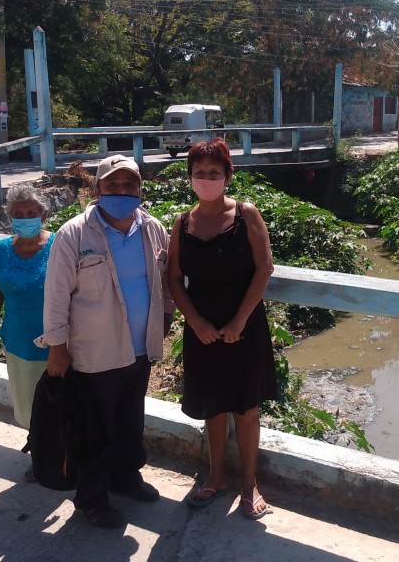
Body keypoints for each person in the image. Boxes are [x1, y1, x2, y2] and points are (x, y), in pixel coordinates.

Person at [38, 155, 174, 529]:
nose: (121, 192)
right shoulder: (74, 234)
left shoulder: (152, 228)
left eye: (129, 185)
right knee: (93, 429)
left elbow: (163, 283)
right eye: (113, 185)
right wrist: (57, 347)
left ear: (139, 189)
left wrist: (164, 321)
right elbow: (56, 296)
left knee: (130, 420)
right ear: (98, 189)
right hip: (94, 353)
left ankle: (125, 477)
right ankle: (91, 498)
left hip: (139, 349)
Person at [167, 138, 277, 520]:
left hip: (244, 326)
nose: (207, 179)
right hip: (202, 329)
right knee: (213, 405)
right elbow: (175, 278)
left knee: (247, 408)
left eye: (215, 173)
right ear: (190, 177)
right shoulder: (183, 223)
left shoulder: (247, 214)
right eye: (200, 173)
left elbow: (264, 268)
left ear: (228, 175)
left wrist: (239, 320)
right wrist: (196, 323)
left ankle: (250, 484)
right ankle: (216, 476)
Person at [0, 184, 54, 479]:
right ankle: (40, 456)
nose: (25, 218)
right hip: (17, 342)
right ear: (9, 217)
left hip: (57, 342)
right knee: (28, 404)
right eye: (18, 214)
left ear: (42, 213)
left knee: (59, 403)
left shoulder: (59, 244)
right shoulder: (0, 251)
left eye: (31, 212)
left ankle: (63, 457)